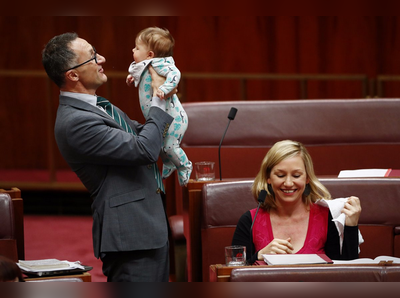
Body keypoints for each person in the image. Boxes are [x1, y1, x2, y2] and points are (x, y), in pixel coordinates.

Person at [42, 32, 175, 282]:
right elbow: (144, 148)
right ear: (73, 74)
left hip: (147, 227)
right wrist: (158, 100)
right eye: (92, 56)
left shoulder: (97, 106)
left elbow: (145, 135)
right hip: (131, 237)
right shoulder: (76, 122)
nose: (102, 58)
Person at [232, 140, 362, 264]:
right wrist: (259, 256)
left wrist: (351, 227)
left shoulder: (327, 216)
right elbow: (232, 272)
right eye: (281, 175)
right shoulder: (249, 221)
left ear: (307, 178)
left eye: (296, 176)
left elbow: (346, 275)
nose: (288, 183)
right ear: (268, 178)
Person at [126, 27, 192, 186]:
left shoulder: (159, 63)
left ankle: (185, 166)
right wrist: (132, 78)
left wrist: (164, 88)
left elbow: (175, 74)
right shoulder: (145, 64)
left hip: (174, 118)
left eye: (137, 48)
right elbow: (140, 75)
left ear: (150, 55)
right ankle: (169, 164)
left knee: (170, 146)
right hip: (161, 118)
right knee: (161, 146)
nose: (133, 50)